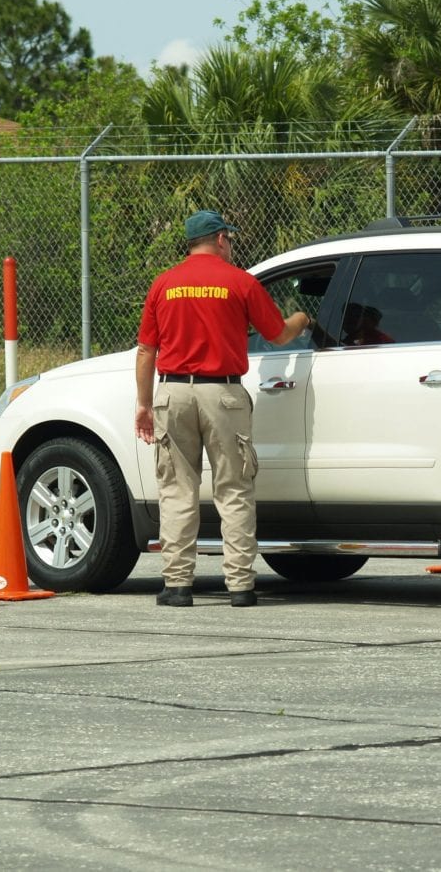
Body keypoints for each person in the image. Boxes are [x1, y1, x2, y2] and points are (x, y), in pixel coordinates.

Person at [134, 210, 310, 607]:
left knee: (177, 490)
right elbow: (278, 335)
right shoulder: (239, 281)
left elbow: (147, 350)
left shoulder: (164, 284)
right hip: (223, 395)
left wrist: (144, 404)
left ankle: (177, 586)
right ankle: (240, 586)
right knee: (233, 489)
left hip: (173, 393)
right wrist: (301, 318)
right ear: (220, 239)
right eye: (229, 238)